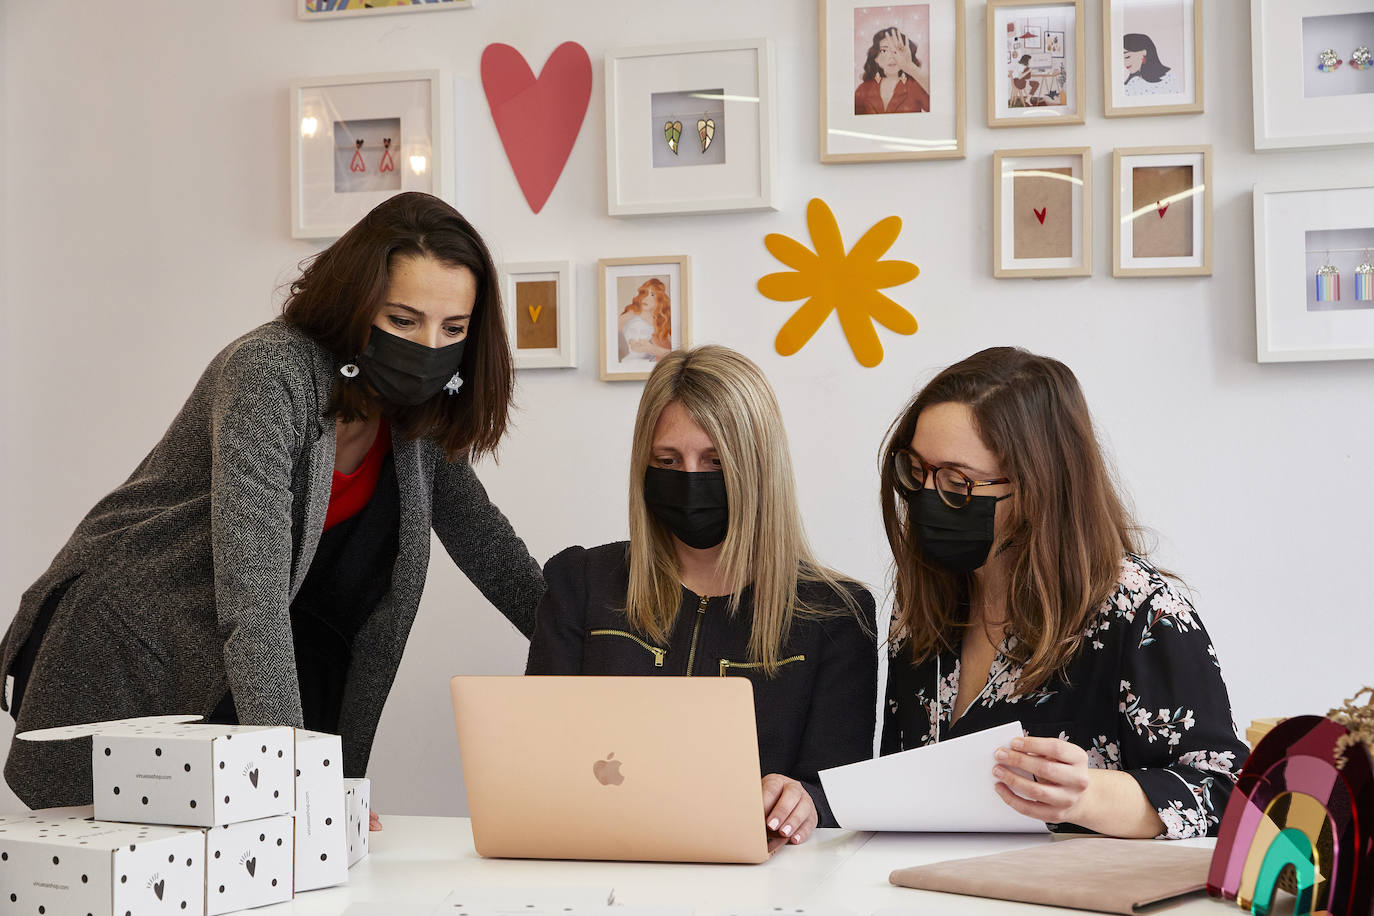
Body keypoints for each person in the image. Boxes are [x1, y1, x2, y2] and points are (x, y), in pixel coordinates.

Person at [2, 192, 544, 815]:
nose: (428, 347)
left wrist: (594, 647)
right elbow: (251, 594)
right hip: (133, 644)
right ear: (357, 302)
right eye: (403, 320)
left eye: (452, 329)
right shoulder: (270, 370)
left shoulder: (412, 417)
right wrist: (295, 774)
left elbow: (487, 544)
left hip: (244, 668)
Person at [879, 347, 1248, 839]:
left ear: (1037, 485)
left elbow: (1229, 796)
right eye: (917, 470)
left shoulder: (1142, 612)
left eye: (956, 481)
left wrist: (1088, 796)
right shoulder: (927, 602)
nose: (927, 495)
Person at [527, 346, 877, 846]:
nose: (690, 479)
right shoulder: (581, 581)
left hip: (759, 881)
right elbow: (533, 755)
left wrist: (803, 802)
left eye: (714, 462)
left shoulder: (837, 616)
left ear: (758, 470)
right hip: (595, 858)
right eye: (667, 460)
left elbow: (835, 792)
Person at [854, 27, 930, 115]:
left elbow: (940, 101)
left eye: (897, 50)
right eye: (884, 51)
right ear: (875, 58)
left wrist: (910, 67)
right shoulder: (864, 89)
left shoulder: (916, 86)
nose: (892, 57)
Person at [617, 278, 672, 364]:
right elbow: (610, 332)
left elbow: (674, 355)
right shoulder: (631, 313)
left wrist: (650, 348)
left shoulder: (662, 321)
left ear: (659, 299)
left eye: (652, 295)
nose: (646, 298)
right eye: (644, 293)